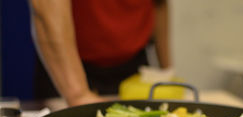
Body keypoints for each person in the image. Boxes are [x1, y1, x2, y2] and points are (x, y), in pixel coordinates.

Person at [27, 0, 170, 106]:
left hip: (135, 67)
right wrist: (78, 95)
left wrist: (167, 71)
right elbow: (47, 9)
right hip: (68, 68)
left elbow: (159, 4)